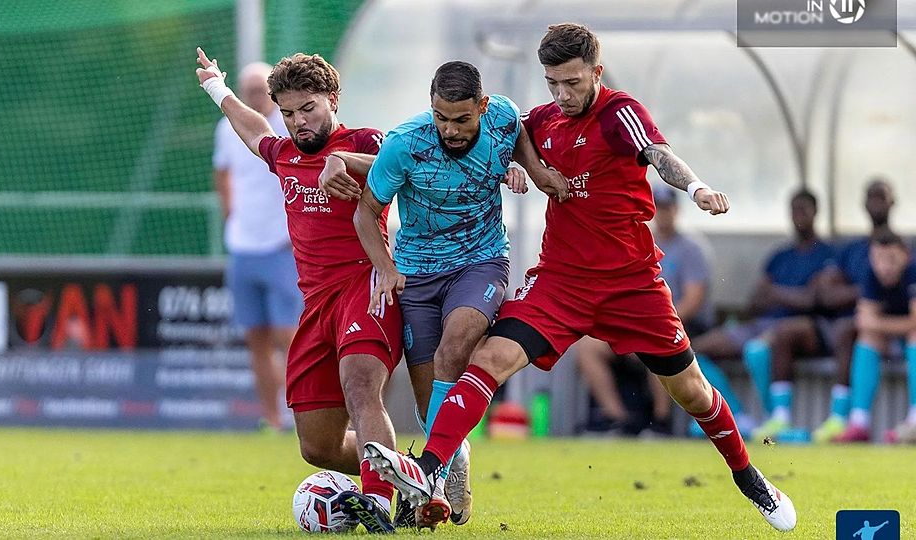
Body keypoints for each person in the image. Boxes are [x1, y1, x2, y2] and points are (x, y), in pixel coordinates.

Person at [363, 23, 797, 533]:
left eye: (572, 82)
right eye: (552, 83)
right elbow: (479, 140)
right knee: (488, 358)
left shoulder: (619, 113)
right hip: (560, 280)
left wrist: (697, 187)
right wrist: (520, 169)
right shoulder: (538, 119)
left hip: (631, 283)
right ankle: (431, 471)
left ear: (596, 71)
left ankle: (750, 478)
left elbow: (658, 153)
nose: (563, 95)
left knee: (693, 392)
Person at [323, 61, 565, 529]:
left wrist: (528, 170)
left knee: (456, 349)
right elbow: (364, 213)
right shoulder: (404, 144)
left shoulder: (505, 118)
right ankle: (455, 461)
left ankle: (427, 480)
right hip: (416, 274)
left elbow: (521, 143)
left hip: (481, 262)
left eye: (461, 119)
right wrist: (388, 270)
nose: (450, 130)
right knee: (426, 391)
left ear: (483, 108)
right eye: (441, 118)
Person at [196, 47, 401, 533]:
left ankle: (378, 504)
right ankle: (412, 473)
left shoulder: (366, 141)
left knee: (360, 386)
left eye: (308, 108)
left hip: (365, 285)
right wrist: (216, 88)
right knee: (318, 448)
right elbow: (254, 133)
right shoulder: (285, 153)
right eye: (288, 113)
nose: (298, 121)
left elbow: (411, 167)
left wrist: (344, 162)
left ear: (332, 99)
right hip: (315, 303)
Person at [746, 180, 896, 441]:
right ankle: (779, 419)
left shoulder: (901, 246)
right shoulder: (850, 249)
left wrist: (859, 294)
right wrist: (861, 293)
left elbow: (817, 299)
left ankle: (844, 417)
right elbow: (824, 295)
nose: (875, 204)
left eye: (880, 197)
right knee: (774, 338)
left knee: (850, 329)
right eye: (870, 197)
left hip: (875, 327)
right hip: (833, 325)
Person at [689, 189, 836, 435]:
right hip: (763, 322)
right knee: (693, 352)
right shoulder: (780, 256)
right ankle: (734, 416)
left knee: (757, 349)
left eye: (803, 209)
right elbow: (756, 300)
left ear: (815, 212)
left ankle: (777, 421)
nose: (798, 215)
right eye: (794, 209)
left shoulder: (826, 254)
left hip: (801, 326)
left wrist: (776, 293)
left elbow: (813, 300)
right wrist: (788, 295)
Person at [575, 184, 714, 436]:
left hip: (679, 322)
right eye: (657, 207)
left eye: (667, 207)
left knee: (656, 343)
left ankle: (661, 422)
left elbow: (694, 300)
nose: (662, 213)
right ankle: (616, 417)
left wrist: (654, 324)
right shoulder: (637, 241)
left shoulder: (691, 248)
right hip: (636, 322)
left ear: (676, 209)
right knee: (588, 347)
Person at [212, 62, 303, 431]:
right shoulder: (226, 128)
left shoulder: (287, 128)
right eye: (247, 90)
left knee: (290, 338)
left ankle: (304, 418)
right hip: (243, 248)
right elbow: (221, 172)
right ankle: (271, 419)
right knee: (257, 340)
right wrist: (229, 214)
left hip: (281, 248)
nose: (253, 97)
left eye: (259, 90)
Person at [829, 231, 916, 443]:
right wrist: (879, 325)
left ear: (906, 255)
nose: (885, 267)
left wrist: (877, 323)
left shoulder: (914, 271)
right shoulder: (870, 274)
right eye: (879, 259)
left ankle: (914, 422)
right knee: (867, 338)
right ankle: (859, 423)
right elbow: (863, 322)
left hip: (910, 338)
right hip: (893, 337)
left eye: (892, 260)